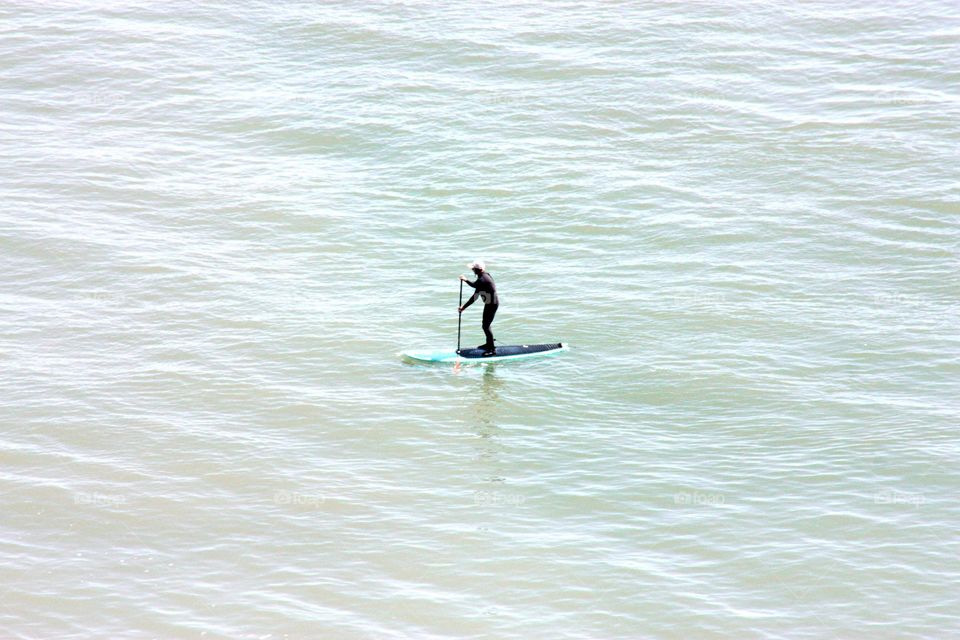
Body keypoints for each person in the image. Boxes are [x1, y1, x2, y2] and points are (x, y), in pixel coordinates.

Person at [459, 260, 499, 356]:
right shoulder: (483, 277)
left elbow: (474, 285)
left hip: (492, 304)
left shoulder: (483, 279)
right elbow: (475, 296)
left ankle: (492, 350)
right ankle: (488, 344)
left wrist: (465, 280)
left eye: (474, 269)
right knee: (485, 325)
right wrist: (463, 307)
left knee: (486, 326)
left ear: (480, 269)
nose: (473, 270)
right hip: (489, 303)